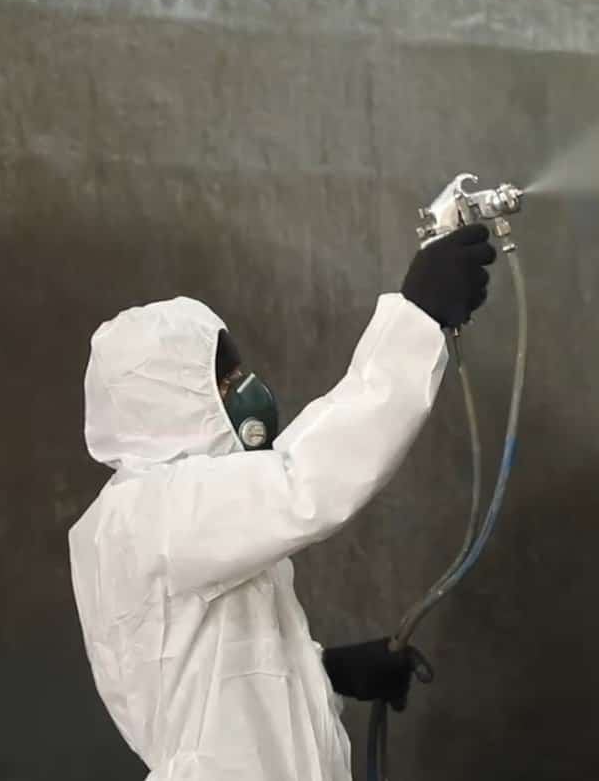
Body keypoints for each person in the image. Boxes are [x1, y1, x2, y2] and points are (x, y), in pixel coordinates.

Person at [69, 224, 497, 780]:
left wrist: (326, 672)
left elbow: (217, 674)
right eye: (225, 379)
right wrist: (415, 320)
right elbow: (306, 479)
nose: (247, 387)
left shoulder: (183, 505)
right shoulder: (150, 513)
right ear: (169, 400)